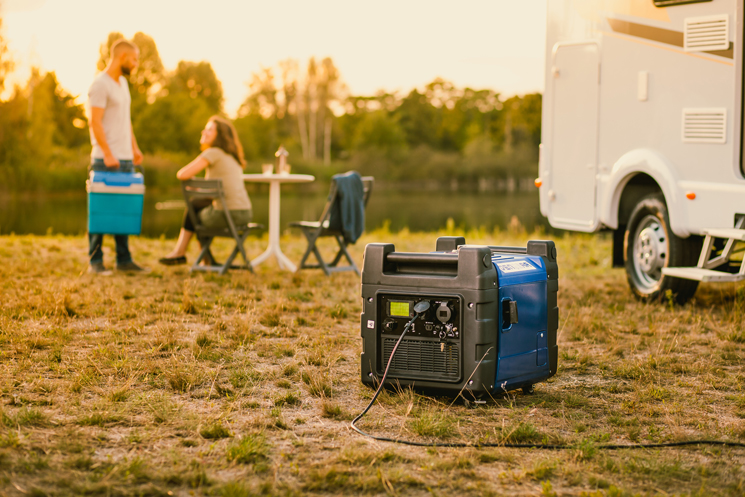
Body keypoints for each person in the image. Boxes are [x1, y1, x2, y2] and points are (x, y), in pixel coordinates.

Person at [87, 38, 148, 274]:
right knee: (100, 210)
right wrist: (109, 154)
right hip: (105, 159)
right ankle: (95, 262)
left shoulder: (123, 83)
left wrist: (134, 148)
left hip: (124, 159)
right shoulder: (100, 84)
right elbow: (95, 121)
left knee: (123, 208)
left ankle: (124, 260)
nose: (136, 64)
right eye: (134, 59)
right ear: (122, 57)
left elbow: (125, 121)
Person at [158, 116, 252, 265]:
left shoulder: (213, 153)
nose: (204, 131)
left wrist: (193, 184)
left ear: (218, 135)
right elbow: (217, 192)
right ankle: (204, 259)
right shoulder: (232, 157)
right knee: (197, 205)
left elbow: (182, 174)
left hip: (229, 214)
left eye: (209, 129)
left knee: (195, 214)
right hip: (245, 213)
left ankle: (181, 252)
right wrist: (200, 189)